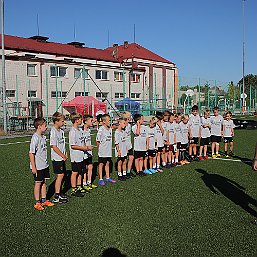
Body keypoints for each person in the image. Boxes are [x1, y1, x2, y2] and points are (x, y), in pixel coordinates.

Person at [29, 117, 54, 211]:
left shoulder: (43, 137)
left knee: (44, 182)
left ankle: (44, 200)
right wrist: (34, 167)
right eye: (45, 125)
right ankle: (37, 202)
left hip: (44, 165)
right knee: (38, 183)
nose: (46, 127)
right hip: (38, 166)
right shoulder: (35, 138)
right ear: (39, 126)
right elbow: (31, 153)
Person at [50, 112, 68, 203]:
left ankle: (59, 192)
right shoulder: (53, 131)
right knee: (60, 175)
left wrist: (65, 153)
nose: (63, 122)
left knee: (62, 175)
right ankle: (57, 196)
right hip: (57, 158)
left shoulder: (60, 131)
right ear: (56, 121)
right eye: (62, 121)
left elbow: (62, 144)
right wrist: (62, 155)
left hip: (61, 157)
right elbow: (54, 146)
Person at [69, 112, 86, 197]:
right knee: (75, 172)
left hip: (81, 156)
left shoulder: (79, 130)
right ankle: (73, 189)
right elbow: (73, 145)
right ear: (76, 120)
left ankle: (79, 187)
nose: (81, 120)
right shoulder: (73, 131)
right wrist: (84, 148)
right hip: (75, 156)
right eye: (80, 119)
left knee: (80, 172)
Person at [96, 114, 116, 186]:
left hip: (108, 150)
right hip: (102, 151)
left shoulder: (109, 129)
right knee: (101, 164)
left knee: (107, 163)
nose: (110, 121)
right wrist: (99, 150)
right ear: (104, 121)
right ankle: (100, 179)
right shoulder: (101, 130)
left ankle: (107, 177)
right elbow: (97, 141)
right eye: (108, 120)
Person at [82, 114, 97, 190]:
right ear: (85, 122)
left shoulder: (89, 130)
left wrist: (93, 120)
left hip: (89, 152)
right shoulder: (81, 131)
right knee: (84, 168)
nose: (92, 122)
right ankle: (84, 183)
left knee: (90, 167)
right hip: (84, 153)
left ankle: (89, 182)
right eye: (90, 121)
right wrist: (86, 148)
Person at [121, 111, 136, 178]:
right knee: (124, 160)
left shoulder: (129, 125)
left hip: (129, 144)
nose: (131, 117)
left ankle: (128, 171)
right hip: (124, 145)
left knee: (131, 157)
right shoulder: (123, 126)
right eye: (129, 116)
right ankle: (123, 172)